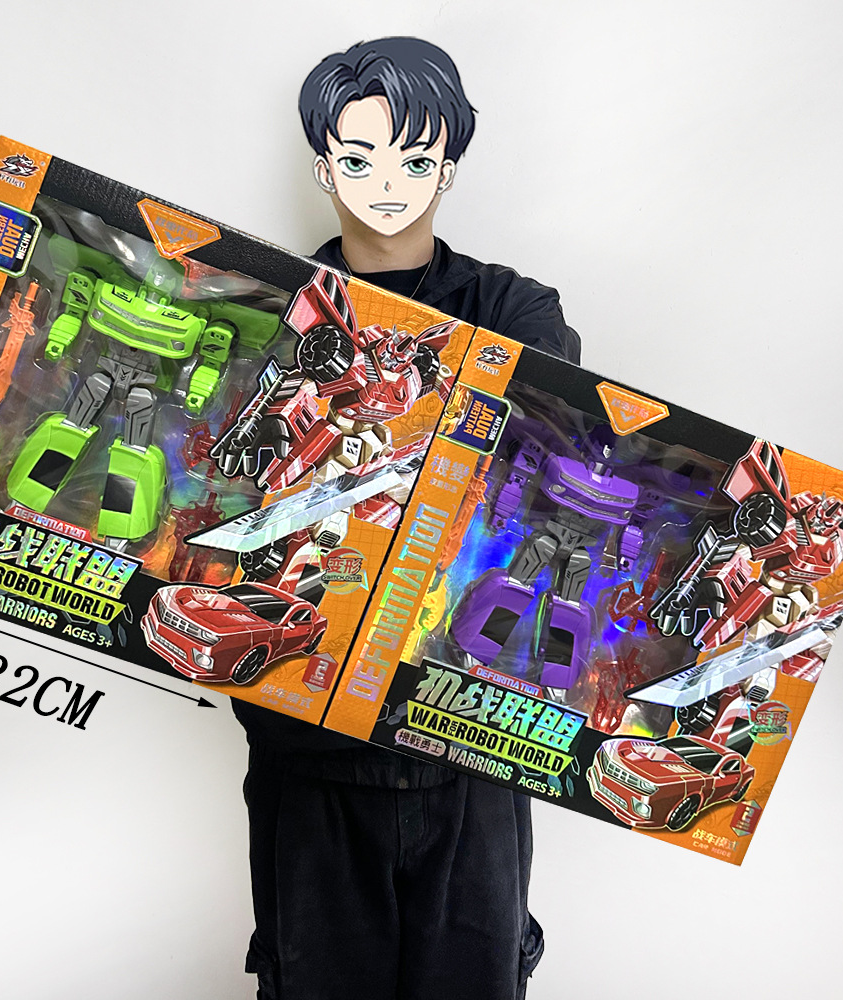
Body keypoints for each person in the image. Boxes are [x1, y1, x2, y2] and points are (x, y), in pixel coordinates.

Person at [233, 36, 581, 1000]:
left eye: (414, 157)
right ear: (323, 167)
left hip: (468, 739)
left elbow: (546, 446)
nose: (386, 183)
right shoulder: (270, 304)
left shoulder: (516, 309)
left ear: (448, 166)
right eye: (359, 157)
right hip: (306, 737)